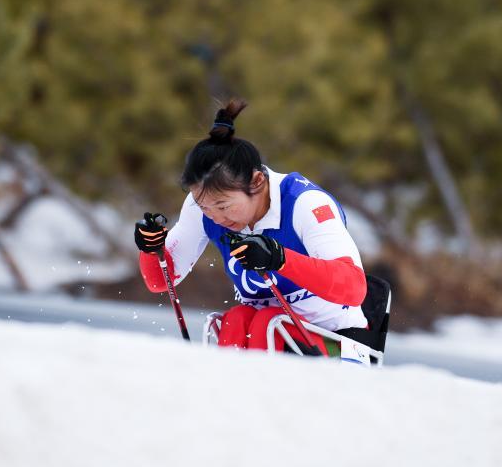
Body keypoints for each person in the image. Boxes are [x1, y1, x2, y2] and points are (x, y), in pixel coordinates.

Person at [134, 99, 367, 354]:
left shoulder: (306, 204)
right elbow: (160, 281)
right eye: (204, 208)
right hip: (270, 331)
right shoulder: (201, 205)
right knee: (237, 319)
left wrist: (280, 259)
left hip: (338, 342)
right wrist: (151, 248)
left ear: (257, 182)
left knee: (269, 323)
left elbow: (354, 288)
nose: (215, 218)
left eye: (223, 206)